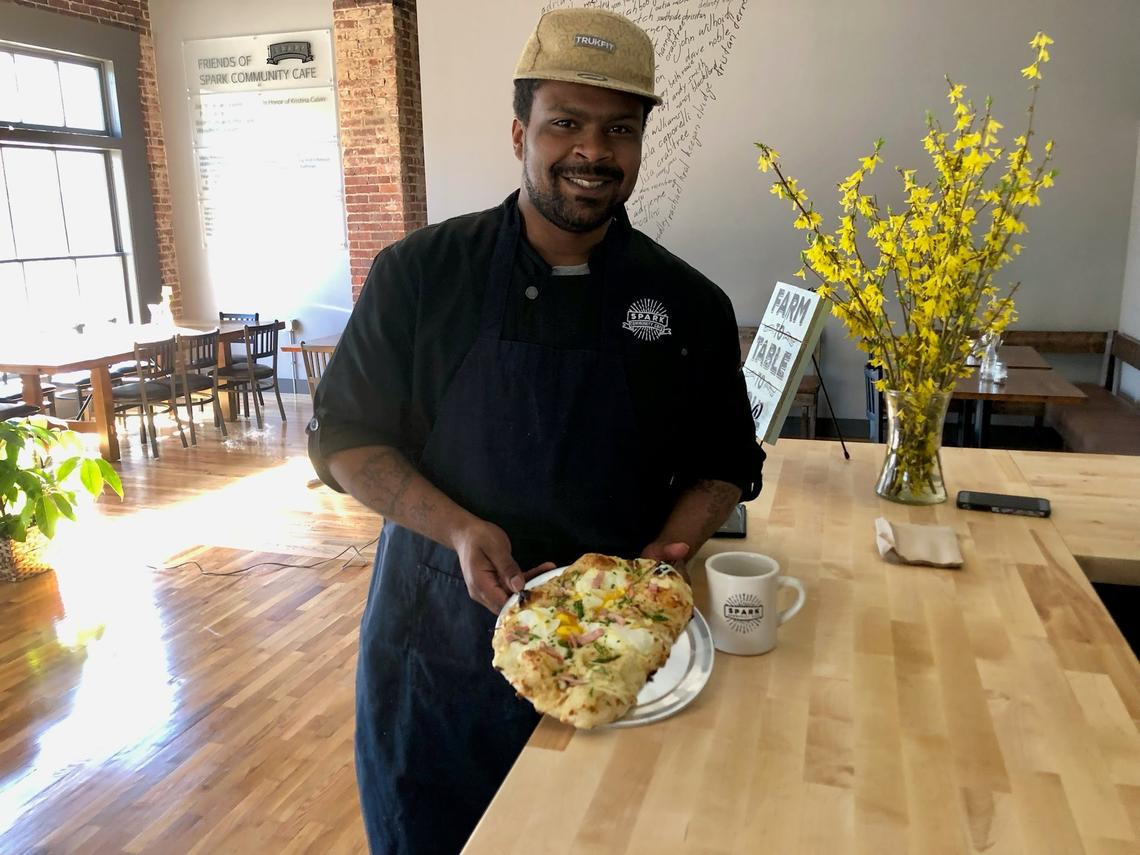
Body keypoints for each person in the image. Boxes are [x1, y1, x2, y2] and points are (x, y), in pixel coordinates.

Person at [307, 8, 765, 853]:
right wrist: (456, 527)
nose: (593, 151)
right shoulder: (419, 275)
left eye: (619, 129)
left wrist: (664, 558)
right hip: (436, 643)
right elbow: (346, 440)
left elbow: (722, 463)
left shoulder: (690, 304)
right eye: (566, 122)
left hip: (619, 650)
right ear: (520, 130)